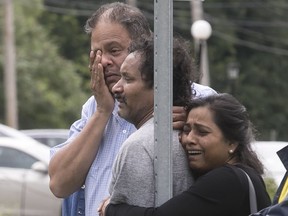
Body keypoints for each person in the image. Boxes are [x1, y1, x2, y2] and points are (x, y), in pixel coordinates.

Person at [48, 2, 217, 216]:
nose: (105, 61)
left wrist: (193, 128)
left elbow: (228, 178)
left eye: (114, 50)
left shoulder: (200, 100)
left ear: (143, 47)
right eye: (96, 53)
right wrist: (102, 113)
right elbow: (59, 184)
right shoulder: (95, 106)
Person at [104, 93, 271, 216]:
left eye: (202, 132)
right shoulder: (247, 176)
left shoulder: (227, 179)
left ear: (232, 143)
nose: (188, 139)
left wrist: (111, 209)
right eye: (186, 130)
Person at [107, 36, 195, 208]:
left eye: (128, 78)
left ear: (159, 87)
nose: (115, 87)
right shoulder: (193, 139)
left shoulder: (139, 146)